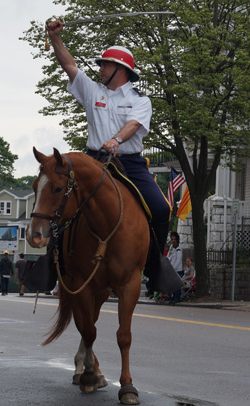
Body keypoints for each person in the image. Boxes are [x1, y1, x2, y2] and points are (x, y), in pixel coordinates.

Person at [46, 21, 175, 292]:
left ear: (120, 69)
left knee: (162, 209)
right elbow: (69, 66)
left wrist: (116, 140)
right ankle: (51, 266)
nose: (100, 68)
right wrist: (55, 38)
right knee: (61, 200)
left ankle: (154, 266)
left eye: (104, 64)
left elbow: (133, 126)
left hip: (129, 161)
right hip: (94, 158)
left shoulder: (141, 100)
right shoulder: (93, 91)